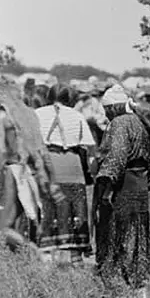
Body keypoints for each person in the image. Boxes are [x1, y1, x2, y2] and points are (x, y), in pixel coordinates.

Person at [93, 84, 150, 298]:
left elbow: (117, 155)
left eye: (106, 110)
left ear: (114, 108)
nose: (105, 114)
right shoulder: (139, 122)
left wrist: (106, 189)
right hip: (139, 186)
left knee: (120, 235)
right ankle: (138, 286)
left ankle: (122, 288)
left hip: (123, 187)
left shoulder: (120, 123)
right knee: (137, 235)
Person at [0, 86, 53, 252]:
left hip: (15, 172)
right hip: (35, 170)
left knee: (3, 226)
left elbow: (0, 151)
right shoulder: (31, 114)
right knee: (28, 217)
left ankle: (33, 251)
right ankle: (16, 251)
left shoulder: (3, 118)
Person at [35, 83, 96, 261]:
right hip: (73, 168)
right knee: (76, 213)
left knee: (47, 212)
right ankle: (76, 259)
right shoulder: (76, 116)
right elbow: (90, 148)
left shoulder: (38, 114)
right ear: (69, 98)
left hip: (49, 168)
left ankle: (47, 260)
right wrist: (92, 172)